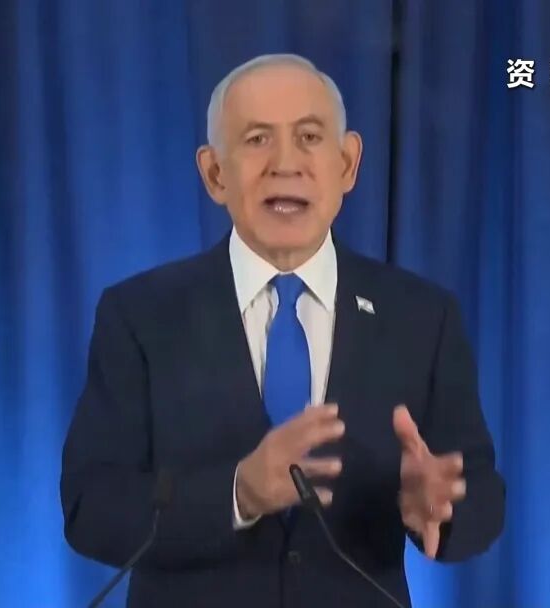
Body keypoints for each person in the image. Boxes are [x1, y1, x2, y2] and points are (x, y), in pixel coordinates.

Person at [61, 53, 504, 608]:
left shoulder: (421, 316)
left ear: (347, 164)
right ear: (215, 174)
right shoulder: (140, 315)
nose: (285, 163)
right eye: (257, 140)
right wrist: (238, 493)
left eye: (309, 137)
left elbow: (480, 493)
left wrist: (440, 506)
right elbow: (91, 506)